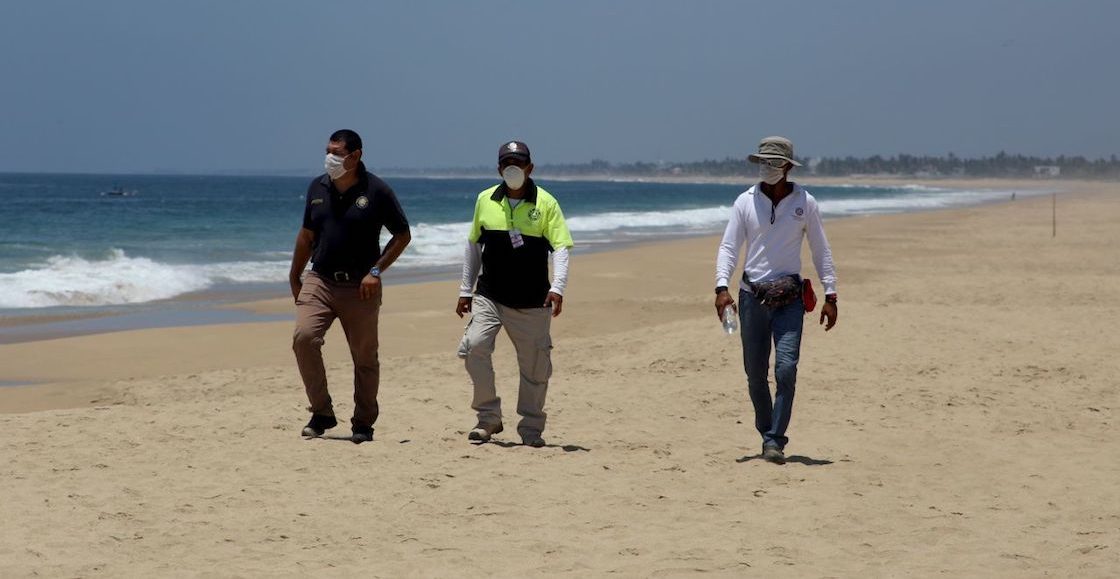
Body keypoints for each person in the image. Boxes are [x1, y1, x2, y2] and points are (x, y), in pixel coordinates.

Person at [714, 136, 838, 464]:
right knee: (755, 373)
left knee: (786, 369)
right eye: (762, 163)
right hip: (751, 298)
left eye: (773, 163)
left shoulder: (805, 203)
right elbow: (729, 246)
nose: (767, 169)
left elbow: (820, 248)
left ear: (787, 166)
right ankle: (767, 429)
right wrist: (721, 288)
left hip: (790, 300)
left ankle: (775, 439)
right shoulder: (744, 202)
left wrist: (831, 293)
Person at [289, 129, 411, 444]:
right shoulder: (317, 187)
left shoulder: (377, 190)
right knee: (304, 338)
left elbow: (402, 235)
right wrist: (294, 275)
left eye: (337, 153)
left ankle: (363, 423)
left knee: (365, 357)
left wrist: (375, 270)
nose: (330, 158)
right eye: (327, 151)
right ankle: (322, 413)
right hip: (320, 279)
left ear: (355, 156)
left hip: (361, 286)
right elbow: (306, 235)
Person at [455, 141, 574, 447]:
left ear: (530, 168)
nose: (513, 167)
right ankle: (488, 418)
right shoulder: (485, 200)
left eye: (518, 162)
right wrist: (465, 290)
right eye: (507, 162)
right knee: (474, 347)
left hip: (533, 301)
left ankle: (531, 429)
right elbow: (473, 246)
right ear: (498, 169)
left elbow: (560, 248)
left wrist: (557, 287)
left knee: (535, 368)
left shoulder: (546, 203)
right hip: (490, 295)